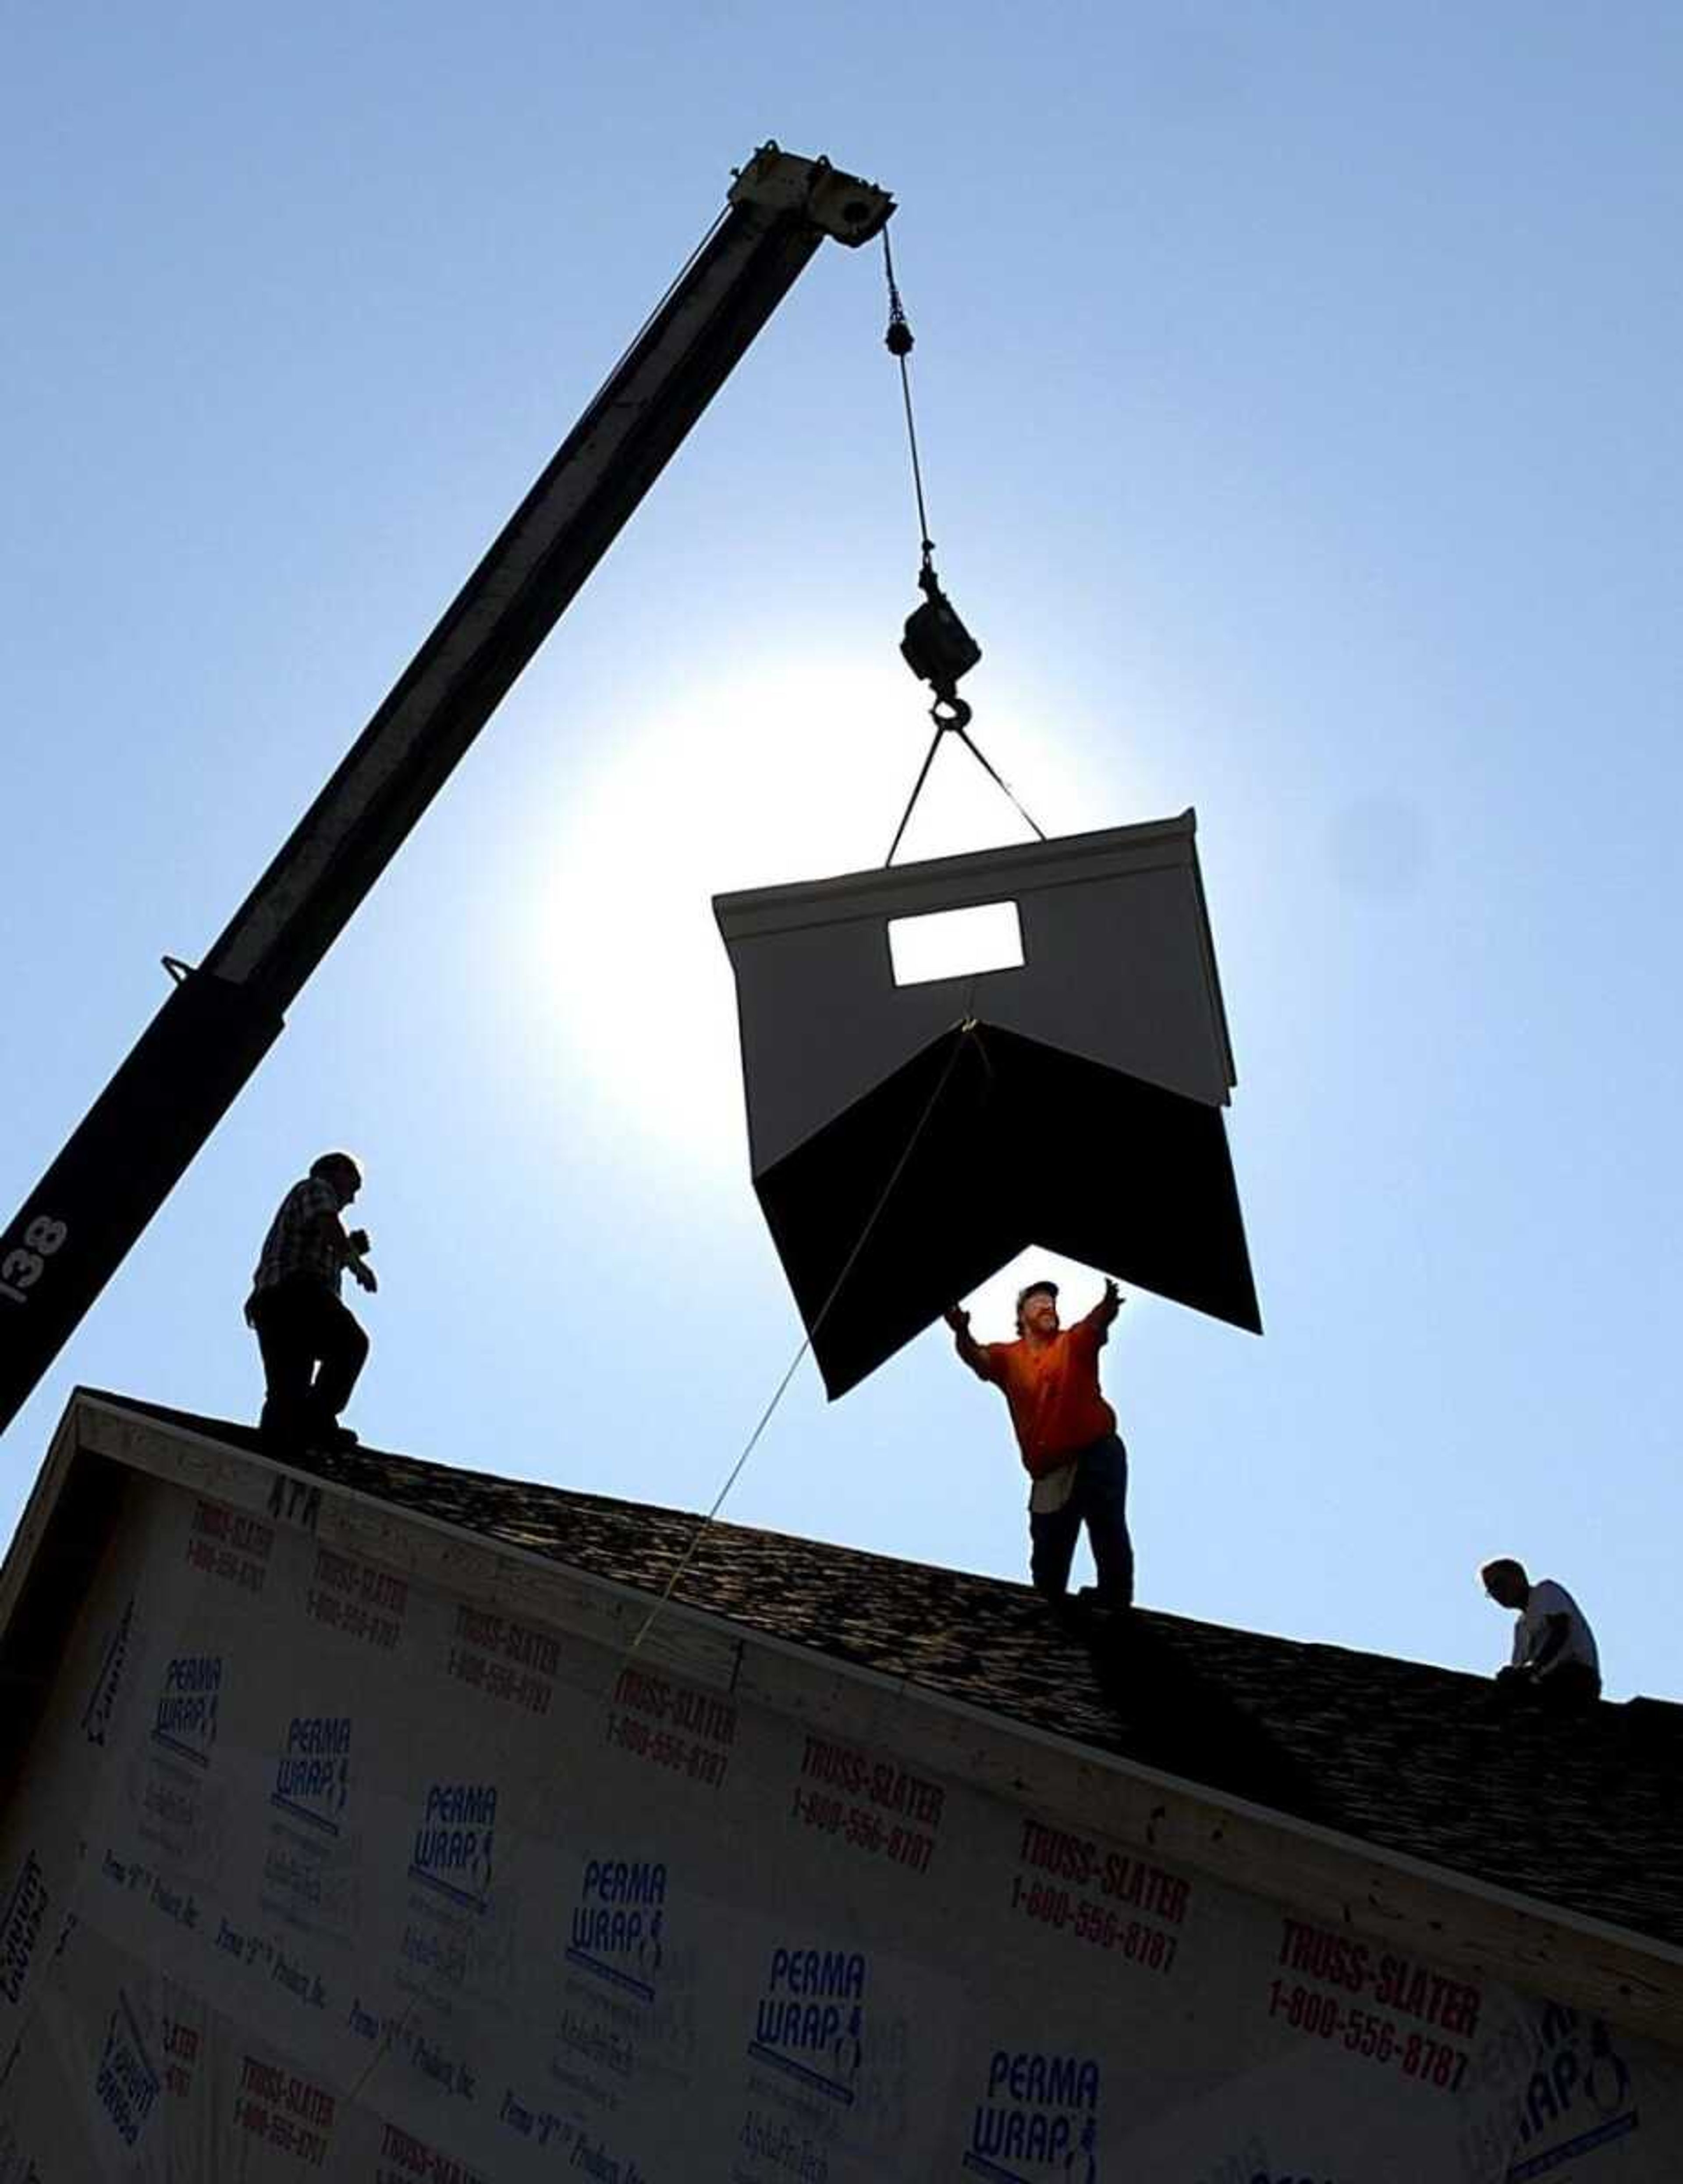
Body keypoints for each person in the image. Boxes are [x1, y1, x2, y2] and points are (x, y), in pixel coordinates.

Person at [945, 1277, 1132, 1612]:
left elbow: (1094, 1324)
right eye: (1039, 1302)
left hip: (1095, 1450)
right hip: (1049, 1472)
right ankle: (1054, 1606)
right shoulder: (1008, 1357)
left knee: (1107, 1523)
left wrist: (1108, 1305)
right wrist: (961, 1332)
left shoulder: (1073, 1342)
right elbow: (977, 1358)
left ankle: (1115, 1598)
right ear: (1022, 1315)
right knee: (1047, 1564)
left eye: (1052, 1302)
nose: (1048, 1306)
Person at [245, 1152, 377, 1453]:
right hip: (296, 1294)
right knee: (351, 1344)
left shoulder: (310, 1212)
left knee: (287, 1393)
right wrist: (355, 1262)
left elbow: (317, 1251)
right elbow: (328, 1228)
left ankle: (277, 1450)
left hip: (275, 1303)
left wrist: (350, 1251)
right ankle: (316, 1420)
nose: (352, 1199)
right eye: (353, 1186)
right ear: (337, 1172)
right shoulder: (317, 1188)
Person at [1480, 1558, 1601, 1704]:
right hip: (1548, 1680)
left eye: (1499, 1584)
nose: (1497, 1593)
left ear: (1519, 1577)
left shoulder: (1545, 1592)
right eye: (1491, 1590)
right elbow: (1519, 1667)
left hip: (1577, 1675)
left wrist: (1534, 1669)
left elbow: (1561, 1631)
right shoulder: (1521, 1627)